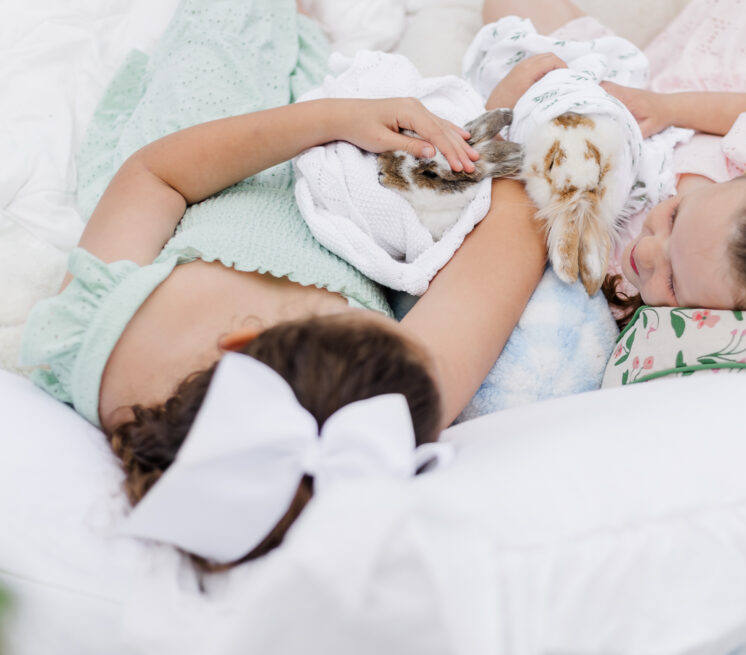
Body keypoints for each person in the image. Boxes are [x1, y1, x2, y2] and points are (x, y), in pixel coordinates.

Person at [18, 0, 547, 571]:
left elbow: (156, 176)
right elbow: (508, 242)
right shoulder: (392, 403)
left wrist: (327, 119)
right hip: (367, 202)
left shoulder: (95, 342)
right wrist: (500, 126)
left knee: (220, 41)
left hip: (208, 164)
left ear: (237, 343)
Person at [480, 0, 746, 325]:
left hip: (590, 127)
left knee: (512, 30)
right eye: (674, 216)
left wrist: (502, 119)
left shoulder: (620, 288)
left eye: (672, 283)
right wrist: (669, 107)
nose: (647, 252)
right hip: (677, 106)